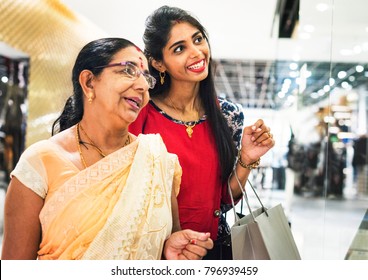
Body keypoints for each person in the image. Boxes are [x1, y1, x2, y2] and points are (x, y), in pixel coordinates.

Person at [1, 37, 213, 260]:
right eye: (128, 71)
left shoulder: (156, 159)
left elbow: (158, 241)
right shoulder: (40, 162)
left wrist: (169, 248)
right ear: (89, 82)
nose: (142, 86)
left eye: (146, 78)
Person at [129, 6, 275, 258]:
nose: (197, 53)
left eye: (198, 39)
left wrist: (247, 159)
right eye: (179, 48)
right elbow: (128, 194)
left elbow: (223, 201)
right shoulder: (141, 112)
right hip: (156, 252)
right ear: (158, 63)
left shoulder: (228, 115)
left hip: (213, 249)